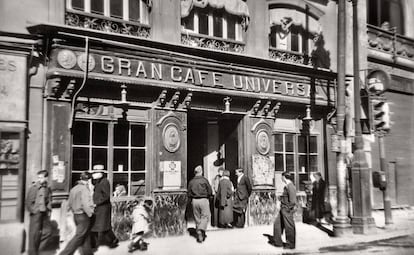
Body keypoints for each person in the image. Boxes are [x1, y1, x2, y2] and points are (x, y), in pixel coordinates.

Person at [60, 172, 95, 255]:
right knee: (79, 236)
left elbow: (70, 203)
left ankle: (88, 253)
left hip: (76, 215)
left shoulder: (74, 189)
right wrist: (90, 213)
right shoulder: (85, 189)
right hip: (83, 215)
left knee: (85, 236)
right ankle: (65, 253)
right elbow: (85, 204)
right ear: (89, 180)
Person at [89, 165, 119, 248]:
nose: (94, 174)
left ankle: (113, 240)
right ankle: (93, 244)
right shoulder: (98, 181)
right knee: (95, 226)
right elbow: (93, 185)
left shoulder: (105, 181)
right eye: (94, 172)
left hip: (103, 208)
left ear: (101, 173)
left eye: (96, 172)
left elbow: (106, 196)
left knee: (103, 227)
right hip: (98, 207)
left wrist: (97, 203)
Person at [26, 170, 52, 255]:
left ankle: (37, 249)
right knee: (34, 235)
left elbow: (49, 199)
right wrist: (34, 210)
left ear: (46, 178)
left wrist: (48, 209)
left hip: (44, 213)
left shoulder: (47, 188)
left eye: (41, 177)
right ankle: (33, 253)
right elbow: (28, 202)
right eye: (38, 177)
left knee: (48, 232)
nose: (39, 179)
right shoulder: (34, 188)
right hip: (36, 214)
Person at [187, 165, 213, 243]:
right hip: (203, 200)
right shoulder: (204, 180)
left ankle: (199, 231)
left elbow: (189, 192)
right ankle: (201, 229)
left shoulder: (191, 181)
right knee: (205, 216)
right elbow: (210, 191)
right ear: (201, 172)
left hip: (194, 201)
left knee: (197, 217)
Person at [272, 172, 297, 250]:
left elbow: (293, 201)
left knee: (289, 226)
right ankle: (277, 242)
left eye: (282, 177)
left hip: (286, 209)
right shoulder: (287, 186)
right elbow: (287, 197)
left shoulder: (290, 186)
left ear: (284, 177)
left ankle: (290, 244)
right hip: (283, 208)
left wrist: (287, 208)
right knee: (277, 224)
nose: (281, 178)